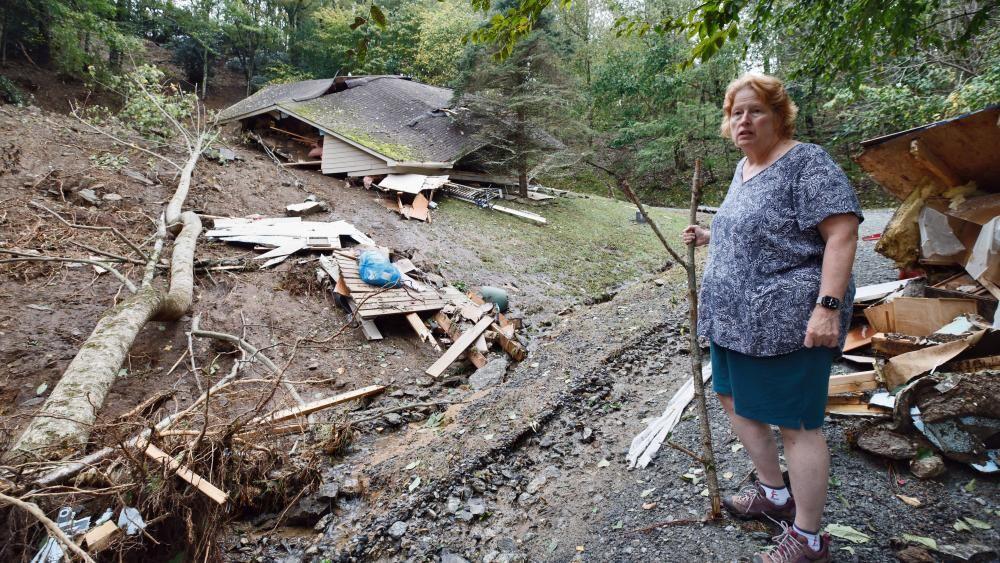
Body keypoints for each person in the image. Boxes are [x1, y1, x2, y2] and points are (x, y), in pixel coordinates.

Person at [681, 73, 862, 563]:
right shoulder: (744, 170)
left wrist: (826, 308)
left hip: (788, 323)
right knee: (733, 397)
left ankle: (808, 539)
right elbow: (763, 234)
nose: (744, 120)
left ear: (778, 116)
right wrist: (711, 237)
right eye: (735, 112)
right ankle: (773, 492)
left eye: (755, 110)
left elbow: (842, 234)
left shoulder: (807, 162)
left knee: (796, 423)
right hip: (734, 320)